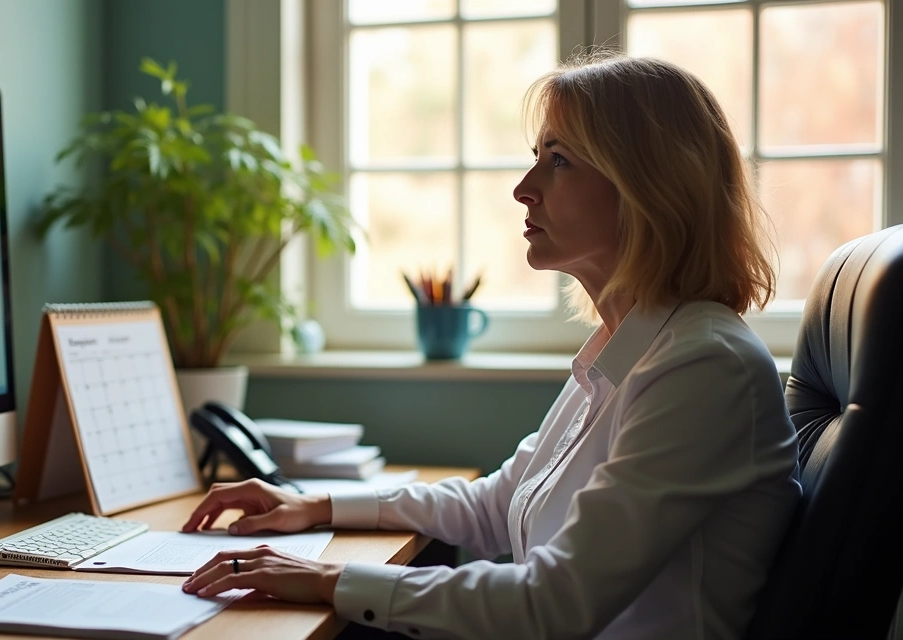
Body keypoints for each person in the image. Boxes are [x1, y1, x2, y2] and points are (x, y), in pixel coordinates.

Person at [178, 53, 801, 640]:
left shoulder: (702, 367)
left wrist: (328, 579)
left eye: (558, 160)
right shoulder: (629, 347)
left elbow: (553, 603)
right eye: (536, 156)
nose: (524, 188)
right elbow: (499, 501)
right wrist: (311, 504)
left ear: (646, 185)